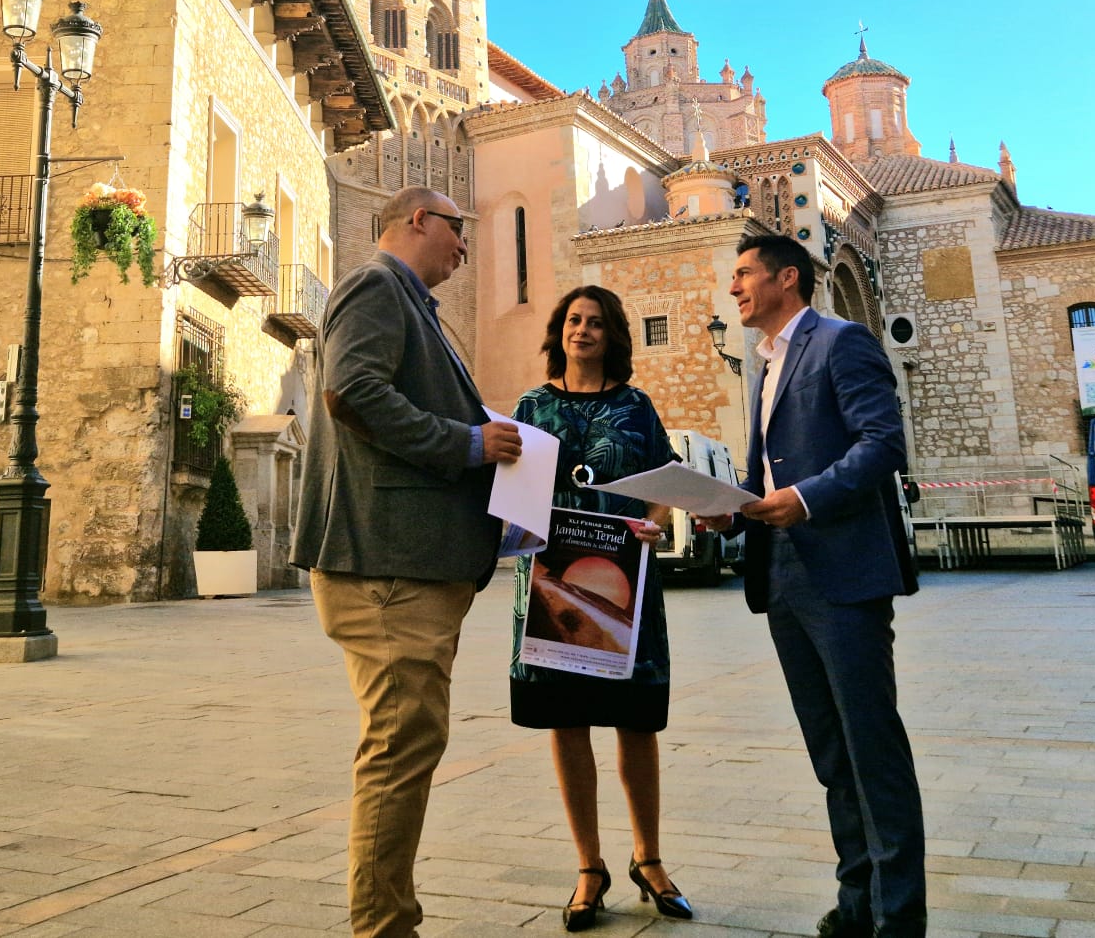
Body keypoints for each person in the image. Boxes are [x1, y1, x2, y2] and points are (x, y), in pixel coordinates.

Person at [292, 185, 523, 938]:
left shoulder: (409, 302)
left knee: (409, 743)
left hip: (410, 565)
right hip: (386, 564)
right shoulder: (375, 283)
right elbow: (351, 391)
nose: (464, 246)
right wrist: (465, 444)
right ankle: (385, 927)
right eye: (459, 230)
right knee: (398, 749)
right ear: (418, 221)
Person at [699, 233, 926, 938]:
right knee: (831, 755)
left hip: (845, 569)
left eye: (743, 274)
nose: (733, 288)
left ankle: (898, 919)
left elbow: (882, 443)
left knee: (870, 749)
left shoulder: (841, 342)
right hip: (784, 573)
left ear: (786, 278)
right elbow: (766, 475)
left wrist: (806, 499)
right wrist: (726, 514)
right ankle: (856, 902)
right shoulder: (764, 366)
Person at [508, 285, 693, 929]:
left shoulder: (635, 407)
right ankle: (590, 866)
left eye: (594, 323)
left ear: (613, 335)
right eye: (572, 321)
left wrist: (652, 522)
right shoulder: (531, 406)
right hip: (552, 580)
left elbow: (664, 480)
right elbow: (513, 487)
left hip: (626, 581)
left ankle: (649, 858)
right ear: (559, 330)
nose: (581, 331)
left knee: (635, 722)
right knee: (568, 722)